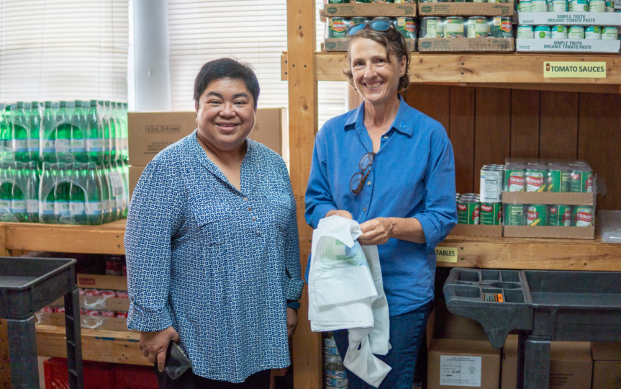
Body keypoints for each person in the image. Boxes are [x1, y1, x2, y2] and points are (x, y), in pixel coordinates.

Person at [125, 58, 303, 388]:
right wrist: (152, 322)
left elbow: (288, 239)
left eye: (240, 101)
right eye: (215, 100)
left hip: (260, 335)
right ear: (197, 107)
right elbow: (144, 252)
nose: (227, 111)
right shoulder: (168, 169)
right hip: (196, 347)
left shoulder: (273, 165)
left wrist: (291, 301)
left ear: (254, 109)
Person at [305, 21, 457, 389]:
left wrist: (392, 228)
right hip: (344, 288)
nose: (369, 73)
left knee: (389, 384)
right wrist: (331, 214)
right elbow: (314, 202)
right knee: (359, 383)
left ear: (401, 65)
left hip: (401, 294)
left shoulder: (430, 135)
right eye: (359, 64)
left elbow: (442, 216)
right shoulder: (331, 134)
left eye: (379, 61)